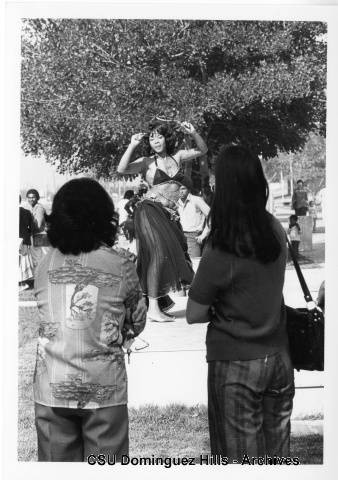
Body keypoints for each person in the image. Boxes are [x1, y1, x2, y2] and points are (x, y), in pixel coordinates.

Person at [186, 145, 294, 461]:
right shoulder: (275, 230)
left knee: (240, 463)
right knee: (278, 458)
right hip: (279, 359)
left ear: (226, 188)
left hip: (235, 363)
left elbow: (194, 313)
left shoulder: (222, 247)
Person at [33, 178, 147, 462]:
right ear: (102, 217)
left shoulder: (44, 264)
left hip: (51, 389)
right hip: (104, 390)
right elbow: (137, 320)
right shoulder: (120, 263)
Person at [117, 119, 208, 322]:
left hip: (169, 215)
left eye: (159, 136)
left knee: (167, 257)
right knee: (157, 254)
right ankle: (154, 309)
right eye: (151, 137)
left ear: (166, 139)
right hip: (149, 210)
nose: (155, 140)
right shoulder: (146, 162)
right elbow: (122, 169)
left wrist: (194, 133)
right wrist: (132, 145)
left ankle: (155, 304)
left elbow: (203, 149)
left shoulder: (179, 156)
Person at [177, 184, 210, 258]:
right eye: (179, 189)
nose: (181, 191)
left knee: (193, 263)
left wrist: (203, 235)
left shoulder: (196, 200)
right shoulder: (175, 201)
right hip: (179, 236)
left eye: (183, 189)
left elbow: (210, 216)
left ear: (188, 189)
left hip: (193, 237)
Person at [26, 188, 49, 272]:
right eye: (29, 197)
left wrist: (26, 230)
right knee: (41, 260)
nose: (31, 199)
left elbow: (38, 226)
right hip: (38, 236)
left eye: (33, 197)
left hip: (40, 236)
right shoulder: (32, 208)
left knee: (41, 260)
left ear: (37, 198)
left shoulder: (39, 208)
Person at [19, 195, 34, 290]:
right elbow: (32, 228)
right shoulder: (27, 212)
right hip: (23, 240)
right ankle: (22, 283)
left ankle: (21, 284)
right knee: (22, 262)